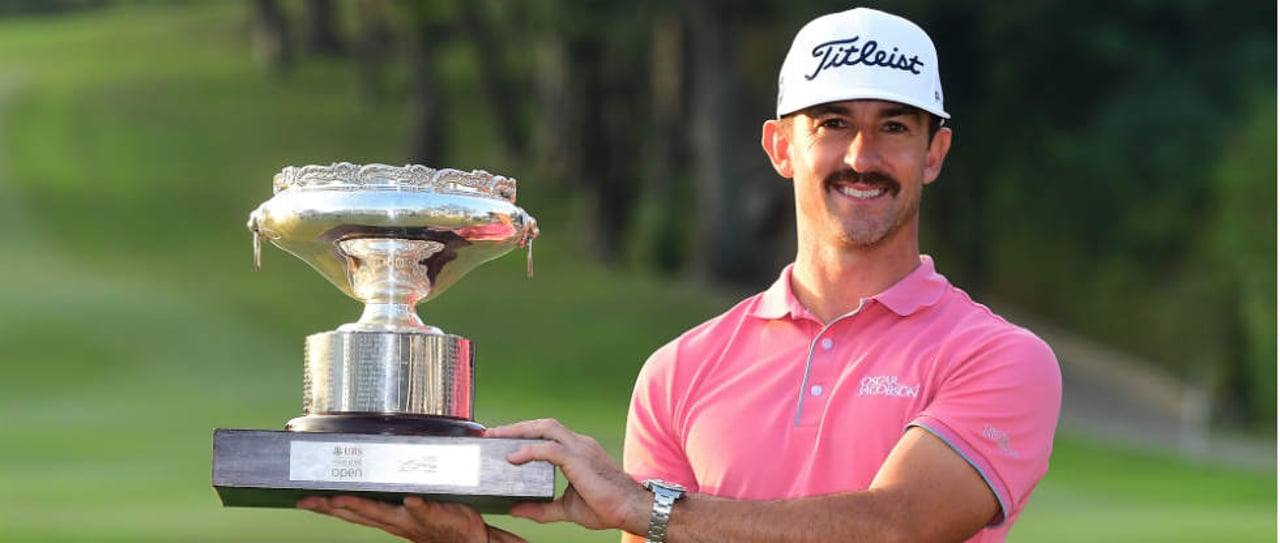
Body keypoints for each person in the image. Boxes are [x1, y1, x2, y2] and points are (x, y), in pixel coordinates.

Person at [298, 7, 1062, 542]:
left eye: (893, 127)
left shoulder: (997, 357)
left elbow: (896, 526)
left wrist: (644, 505)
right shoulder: (682, 370)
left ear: (934, 154)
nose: (863, 155)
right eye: (832, 124)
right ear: (780, 146)